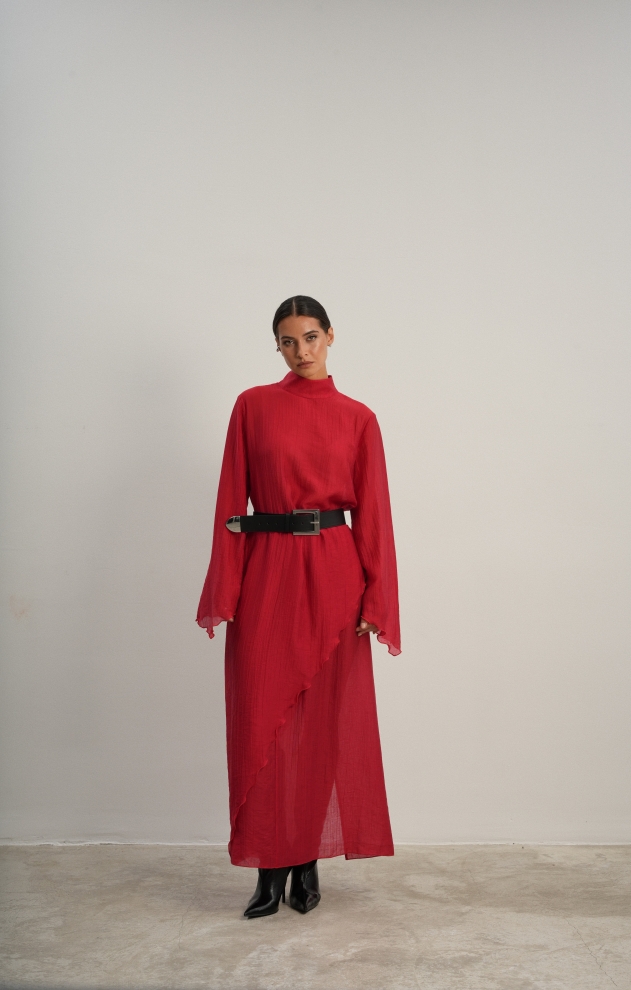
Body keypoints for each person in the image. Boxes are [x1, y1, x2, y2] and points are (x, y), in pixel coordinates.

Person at [197, 295, 401, 919]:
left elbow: (375, 514)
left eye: (311, 337)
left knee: (320, 727)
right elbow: (231, 502)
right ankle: (268, 866)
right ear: (277, 346)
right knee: (262, 717)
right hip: (268, 572)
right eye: (288, 341)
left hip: (335, 574)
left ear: (331, 336)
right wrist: (225, 587)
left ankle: (306, 857)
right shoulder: (252, 407)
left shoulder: (359, 418)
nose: (301, 351)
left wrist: (378, 598)